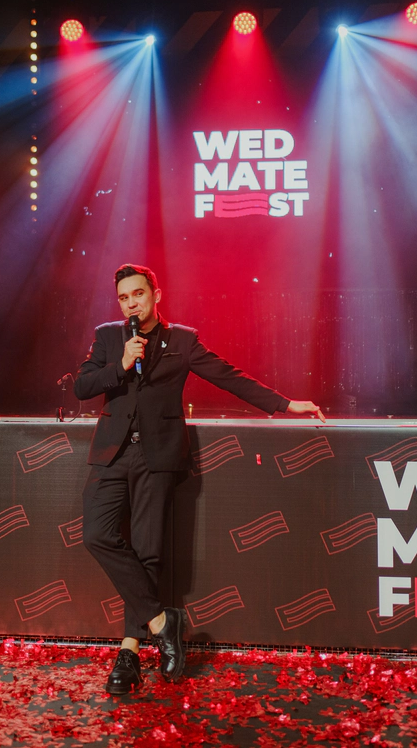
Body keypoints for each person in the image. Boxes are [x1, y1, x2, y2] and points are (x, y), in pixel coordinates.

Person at [74, 263, 324, 696]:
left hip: (157, 457)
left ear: (156, 294)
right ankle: (162, 621)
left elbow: (229, 377)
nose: (131, 304)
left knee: (148, 552)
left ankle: (128, 653)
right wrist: (121, 364)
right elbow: (82, 386)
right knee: (96, 534)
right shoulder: (109, 337)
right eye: (124, 298)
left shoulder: (182, 340)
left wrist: (285, 405)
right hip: (112, 454)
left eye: (138, 294)